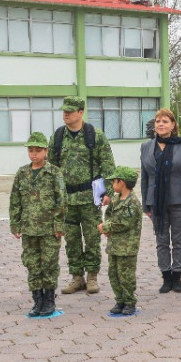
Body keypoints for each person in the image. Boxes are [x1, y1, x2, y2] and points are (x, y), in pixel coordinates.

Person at [50, 96, 116, 295]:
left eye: (70, 111)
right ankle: (77, 277)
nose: (66, 114)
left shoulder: (95, 135)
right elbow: (51, 168)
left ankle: (92, 276)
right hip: (67, 199)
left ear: (81, 112)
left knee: (92, 238)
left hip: (89, 197)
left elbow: (108, 165)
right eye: (64, 111)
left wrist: (109, 192)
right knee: (71, 240)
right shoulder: (58, 136)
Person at [140, 107, 181, 294]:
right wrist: (145, 203)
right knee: (162, 240)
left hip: (179, 200)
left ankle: (177, 277)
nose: (161, 124)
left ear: (173, 125)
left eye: (165, 121)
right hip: (156, 202)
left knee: (178, 240)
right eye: (158, 121)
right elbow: (145, 177)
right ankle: (166, 277)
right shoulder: (146, 147)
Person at [10, 132, 66, 318]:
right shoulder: (22, 173)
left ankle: (49, 300)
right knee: (32, 264)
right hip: (29, 228)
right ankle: (37, 301)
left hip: (49, 229)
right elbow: (15, 200)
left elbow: (61, 200)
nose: (34, 154)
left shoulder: (54, 173)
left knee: (49, 264)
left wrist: (59, 225)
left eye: (38, 150)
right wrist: (15, 223)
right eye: (31, 150)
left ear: (46, 151)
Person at [98, 166, 143, 316]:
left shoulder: (133, 202)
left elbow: (124, 223)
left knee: (126, 276)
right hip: (114, 245)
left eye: (114, 181)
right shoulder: (116, 199)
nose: (112, 184)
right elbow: (108, 214)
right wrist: (107, 227)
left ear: (122, 182)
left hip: (127, 247)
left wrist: (106, 227)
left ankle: (129, 301)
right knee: (114, 274)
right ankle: (120, 300)